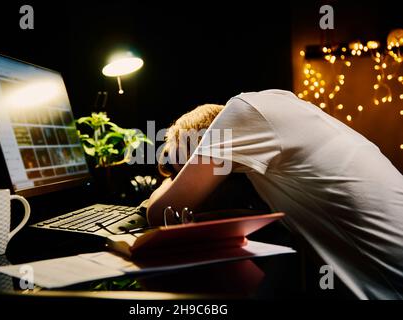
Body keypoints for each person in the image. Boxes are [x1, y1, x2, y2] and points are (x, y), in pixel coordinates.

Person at [146, 89, 403, 300]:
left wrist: (169, 181)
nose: (181, 173)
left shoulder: (241, 112)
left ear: (199, 139)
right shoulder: (278, 105)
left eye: (182, 165)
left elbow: (160, 213)